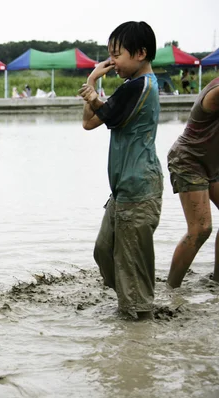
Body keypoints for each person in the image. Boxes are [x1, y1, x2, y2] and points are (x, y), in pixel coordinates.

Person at [79, 21, 163, 319]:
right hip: (125, 188)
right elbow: (89, 122)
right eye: (110, 54)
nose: (112, 61)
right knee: (104, 251)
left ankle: (138, 322)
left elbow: (107, 116)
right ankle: (134, 304)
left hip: (138, 187)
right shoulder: (132, 86)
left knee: (130, 263)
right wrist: (92, 84)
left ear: (140, 53)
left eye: (117, 54)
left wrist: (92, 93)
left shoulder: (141, 86)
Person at [166, 78, 219, 288]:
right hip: (189, 159)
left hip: (213, 162)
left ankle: (216, 283)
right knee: (201, 228)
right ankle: (172, 289)